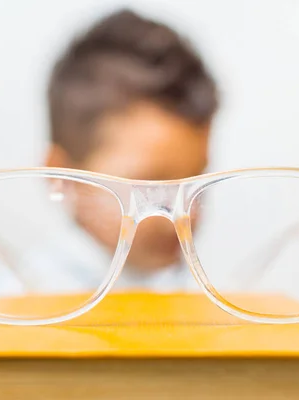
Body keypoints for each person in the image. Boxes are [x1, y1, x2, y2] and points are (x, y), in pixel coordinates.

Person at [38, 9, 218, 290]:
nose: (186, 213)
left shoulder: (209, 297)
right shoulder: (15, 313)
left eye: (197, 181)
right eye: (151, 184)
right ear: (62, 177)